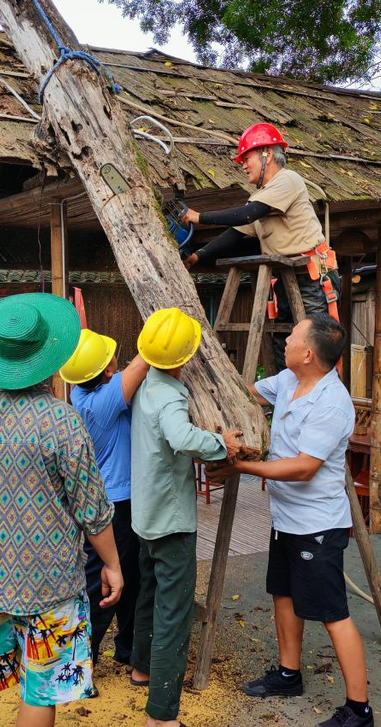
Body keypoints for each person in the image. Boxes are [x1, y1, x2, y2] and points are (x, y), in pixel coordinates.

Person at [0, 294, 124, 727]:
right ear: (48, 357)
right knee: (41, 688)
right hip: (50, 579)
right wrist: (112, 564)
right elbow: (92, 510)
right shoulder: (62, 421)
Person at [209, 314, 372, 727]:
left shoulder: (332, 403)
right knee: (283, 594)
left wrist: (243, 468)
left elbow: (303, 468)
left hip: (317, 525)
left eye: (293, 337)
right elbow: (244, 394)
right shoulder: (286, 381)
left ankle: (358, 710)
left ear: (309, 353)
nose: (285, 341)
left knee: (333, 613)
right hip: (285, 519)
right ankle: (288, 674)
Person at [128, 308, 244, 727]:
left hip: (145, 513)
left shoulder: (145, 385)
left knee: (148, 593)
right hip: (171, 519)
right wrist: (221, 443)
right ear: (184, 358)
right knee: (173, 611)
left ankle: (141, 667)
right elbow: (180, 437)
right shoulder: (173, 396)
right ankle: (161, 715)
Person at [178, 123, 340, 371]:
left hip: (312, 277)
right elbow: (235, 234)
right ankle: (283, 401)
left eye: (247, 157)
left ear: (267, 154)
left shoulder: (288, 180)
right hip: (288, 278)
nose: (242, 165)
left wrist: (198, 217)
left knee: (314, 345)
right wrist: (200, 256)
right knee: (285, 343)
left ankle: (317, 403)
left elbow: (246, 215)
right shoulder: (264, 196)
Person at [60, 329, 150, 668]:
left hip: (106, 498)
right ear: (109, 371)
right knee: (103, 582)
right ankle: (81, 655)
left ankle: (127, 646)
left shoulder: (81, 394)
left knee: (131, 574)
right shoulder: (106, 399)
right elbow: (147, 357)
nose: (118, 359)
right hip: (117, 504)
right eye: (112, 357)